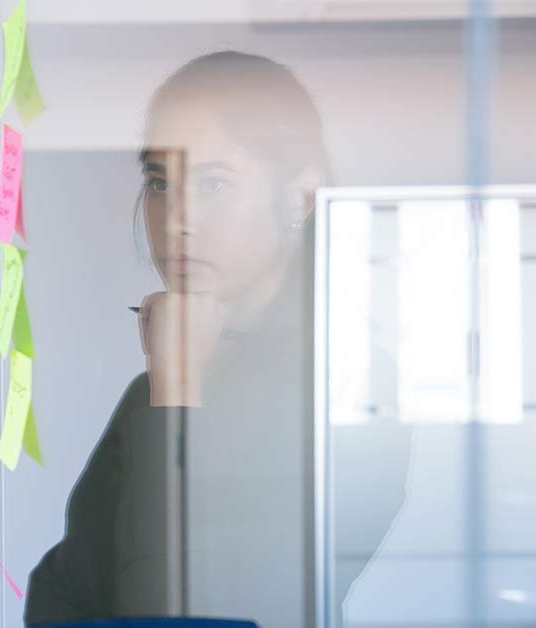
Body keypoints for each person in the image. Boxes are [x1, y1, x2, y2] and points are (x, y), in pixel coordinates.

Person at [25, 51, 409, 628]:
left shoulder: (345, 381)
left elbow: (178, 610)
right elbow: (56, 594)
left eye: (214, 184)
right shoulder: (156, 387)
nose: (176, 217)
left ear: (299, 199)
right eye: (159, 182)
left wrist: (177, 393)